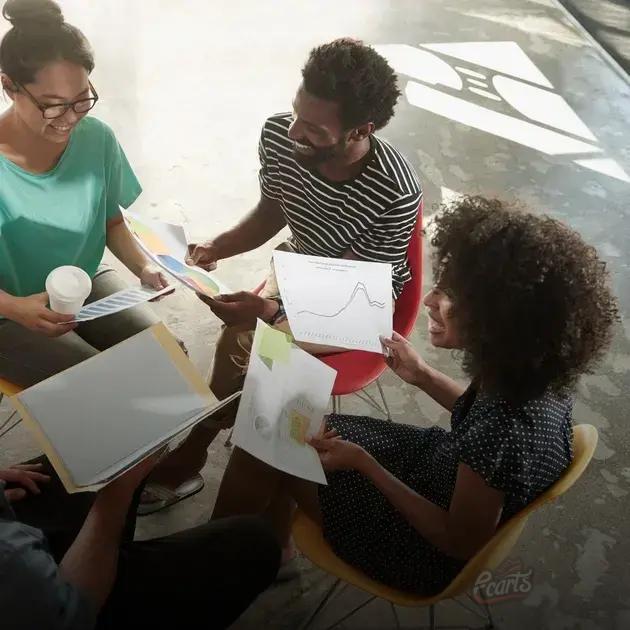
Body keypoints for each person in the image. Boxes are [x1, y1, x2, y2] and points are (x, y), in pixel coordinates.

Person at [207, 196, 618, 593]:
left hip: (415, 545)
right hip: (436, 469)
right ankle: (273, 548)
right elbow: (477, 420)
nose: (427, 301)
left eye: (448, 297)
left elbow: (457, 541)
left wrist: (365, 465)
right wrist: (422, 375)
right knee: (283, 424)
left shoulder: (504, 432)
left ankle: (206, 567)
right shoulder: (530, 373)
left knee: (265, 442)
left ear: (498, 318)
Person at [143, 38, 423, 512]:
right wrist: (217, 247)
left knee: (252, 350)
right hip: (298, 265)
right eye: (296, 113)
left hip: (361, 297)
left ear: (361, 130)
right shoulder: (279, 135)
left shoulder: (394, 191)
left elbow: (352, 291)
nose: (294, 132)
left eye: (314, 129)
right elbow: (273, 208)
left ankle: (199, 459)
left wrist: (271, 311)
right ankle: (247, 494)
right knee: (252, 354)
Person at [0, 0, 174, 389]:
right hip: (6, 308)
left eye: (82, 98)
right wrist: (14, 307)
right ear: (9, 85)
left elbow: (110, 221)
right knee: (99, 388)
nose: (71, 117)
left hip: (82, 277)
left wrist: (142, 267)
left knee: (167, 359)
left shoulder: (97, 138)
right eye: (52, 106)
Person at [0, 453, 280, 629]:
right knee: (253, 545)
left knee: (93, 459)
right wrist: (113, 501)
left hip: (19, 564)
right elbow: (72, 612)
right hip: (61, 607)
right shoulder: (11, 557)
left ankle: (116, 556)